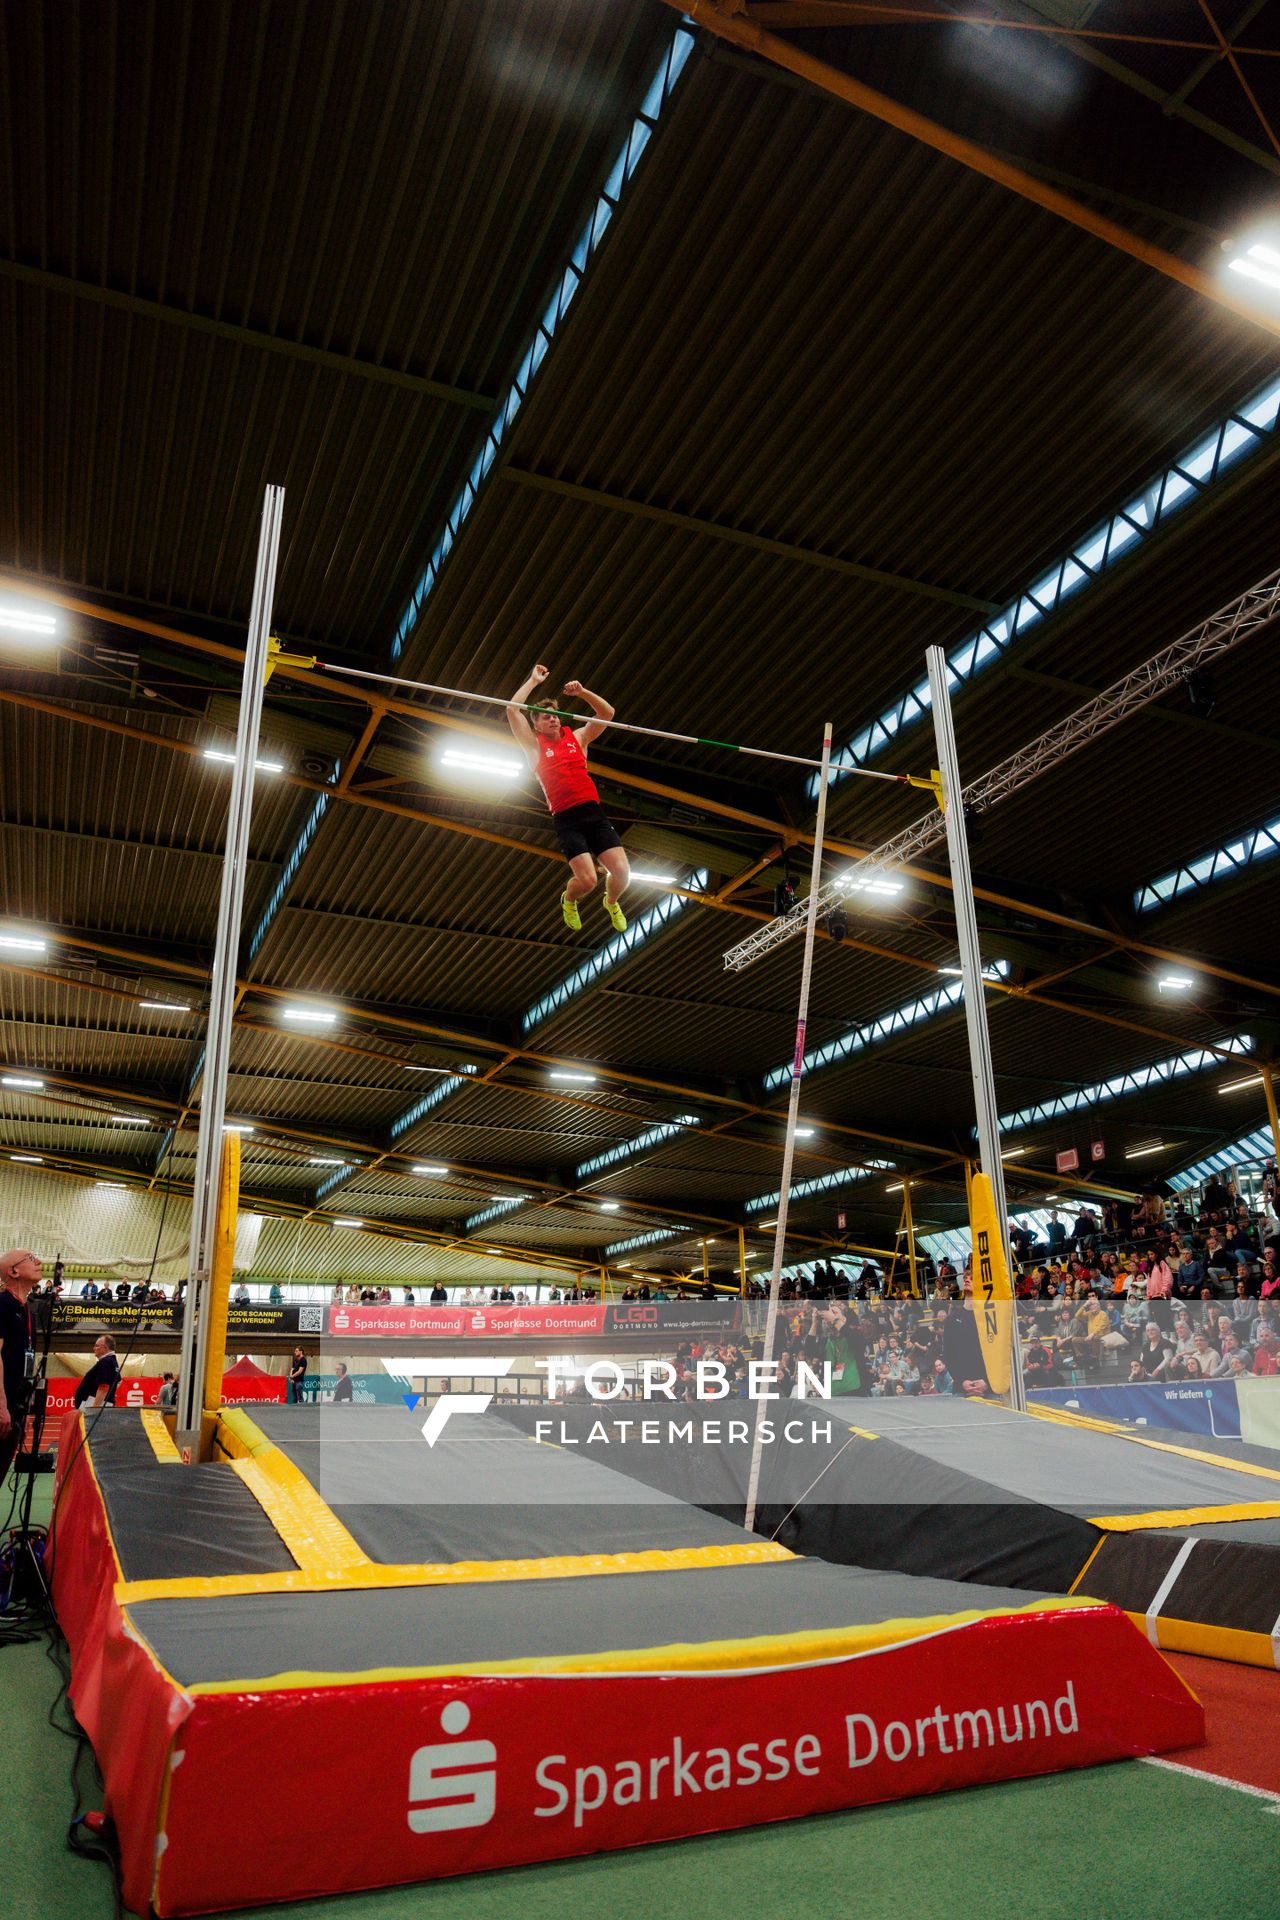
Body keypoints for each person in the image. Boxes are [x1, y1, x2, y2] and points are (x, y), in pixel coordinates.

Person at [506, 664, 630, 933]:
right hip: (567, 820)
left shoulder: (579, 737)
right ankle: (569, 899)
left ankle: (611, 902)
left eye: (556, 716)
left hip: (594, 815)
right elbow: (512, 710)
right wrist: (532, 681)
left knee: (622, 874)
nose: (553, 720)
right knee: (587, 882)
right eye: (546, 718)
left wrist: (583, 692)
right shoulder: (533, 747)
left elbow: (607, 713)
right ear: (536, 724)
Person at [0, 1248, 43, 1482]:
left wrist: (25, 1411)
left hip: (15, 1412)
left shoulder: (26, 1311)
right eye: (31, 1258)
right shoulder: (2, 1304)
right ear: (13, 1271)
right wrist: (1, 1405)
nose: (39, 1261)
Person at [73, 1334, 120, 1411]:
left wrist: (94, 1409)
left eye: (97, 1346)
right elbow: (118, 1381)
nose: (94, 1348)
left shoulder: (105, 1362)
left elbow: (104, 1387)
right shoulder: (112, 1361)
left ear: (105, 1347)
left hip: (94, 1405)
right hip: (101, 1404)